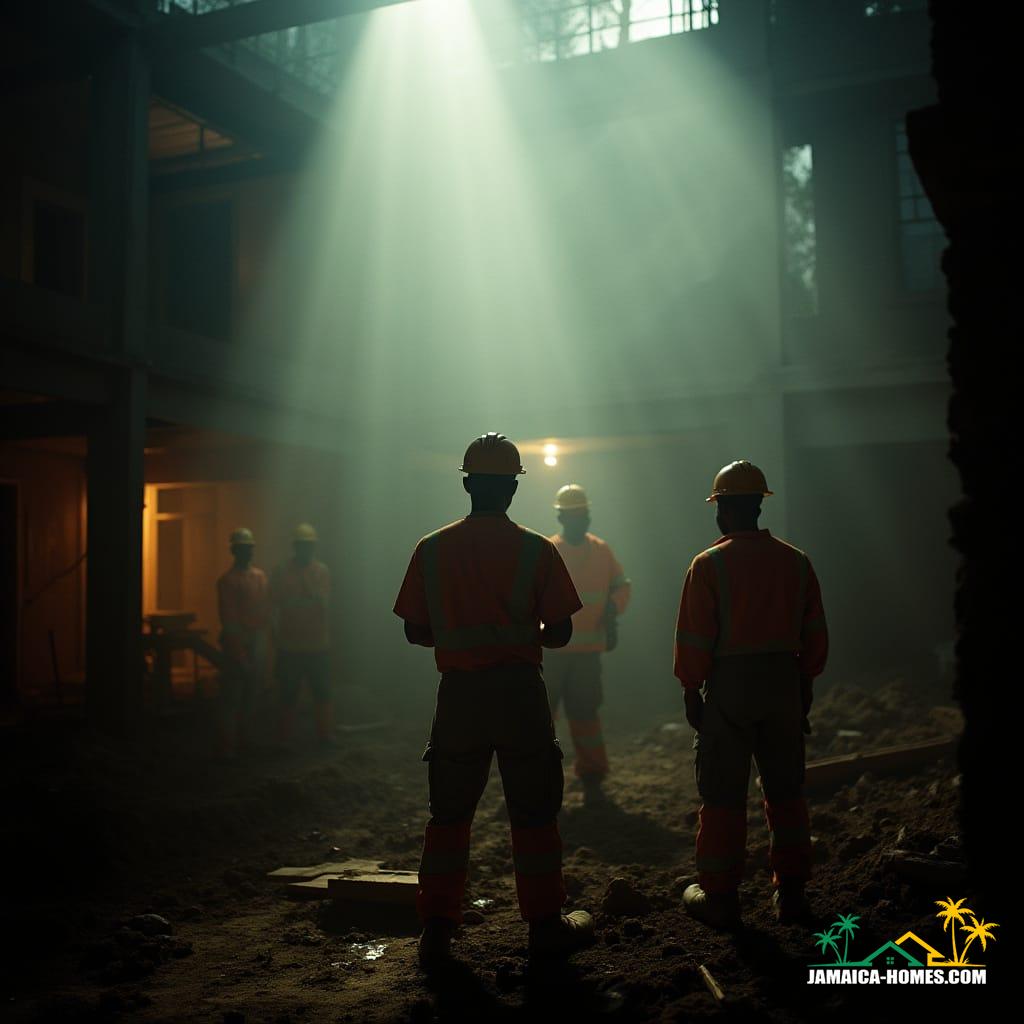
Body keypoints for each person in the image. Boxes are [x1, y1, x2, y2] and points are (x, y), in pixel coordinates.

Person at [394, 432, 595, 966]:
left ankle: (436, 932)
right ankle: (545, 925)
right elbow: (561, 634)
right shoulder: (537, 550)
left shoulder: (431, 549)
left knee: (449, 815)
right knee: (533, 811)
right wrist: (519, 631)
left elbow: (415, 631)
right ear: (511, 490)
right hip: (520, 693)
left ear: (467, 484)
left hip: (458, 695)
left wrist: (461, 630)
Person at [674, 461, 828, 928]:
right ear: (761, 504)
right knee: (786, 792)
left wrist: (690, 688)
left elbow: (695, 637)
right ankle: (793, 894)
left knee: (722, 795)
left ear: (720, 509)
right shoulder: (796, 561)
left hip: (730, 688)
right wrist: (804, 685)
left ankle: (720, 898)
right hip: (783, 684)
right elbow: (814, 634)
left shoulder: (709, 564)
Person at [547, 484, 631, 804]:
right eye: (575, 514)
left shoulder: (601, 550)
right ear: (561, 517)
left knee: (585, 715)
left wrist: (614, 607)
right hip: (552, 652)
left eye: (583, 513)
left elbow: (621, 586)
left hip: (585, 654)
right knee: (544, 717)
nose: (581, 519)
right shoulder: (548, 551)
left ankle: (593, 772)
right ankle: (540, 771)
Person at [270, 523, 333, 746]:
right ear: (296, 547)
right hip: (290, 646)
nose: (305, 549)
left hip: (317, 645)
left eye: (309, 545)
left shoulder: (321, 571)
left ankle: (324, 737)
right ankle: (284, 740)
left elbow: (323, 604)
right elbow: (274, 606)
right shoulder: (281, 572)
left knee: (322, 693)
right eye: (302, 545)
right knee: (288, 695)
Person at [216, 527, 270, 758]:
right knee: (233, 696)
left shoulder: (259, 577)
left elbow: (266, 611)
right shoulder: (228, 581)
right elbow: (229, 620)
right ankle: (229, 747)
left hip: (256, 641)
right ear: (234, 551)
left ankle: (246, 742)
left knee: (252, 695)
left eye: (249, 548)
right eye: (243, 548)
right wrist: (239, 653)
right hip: (238, 643)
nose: (247, 552)